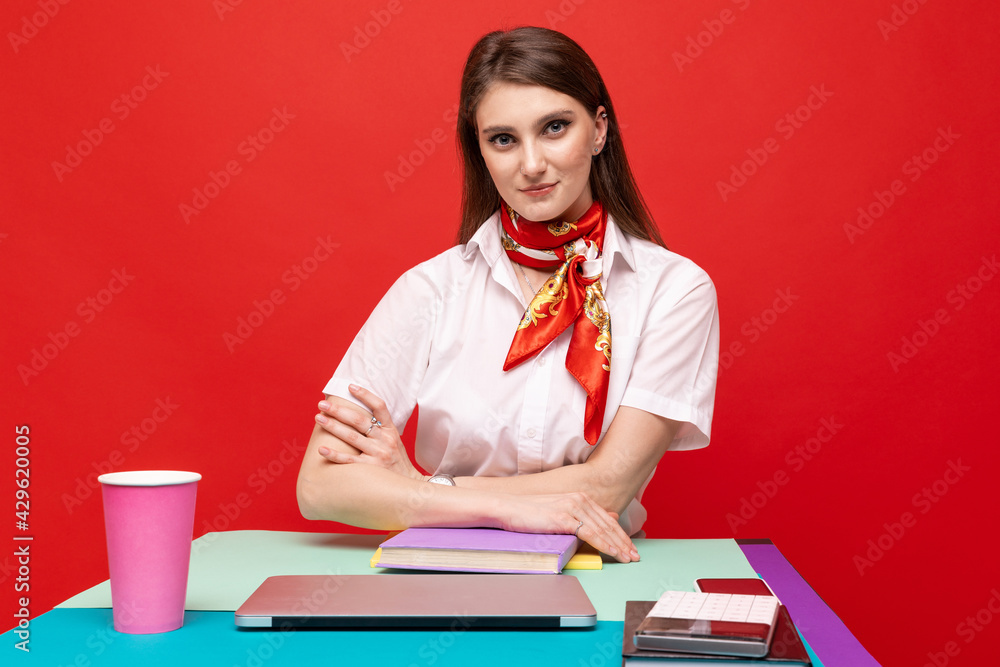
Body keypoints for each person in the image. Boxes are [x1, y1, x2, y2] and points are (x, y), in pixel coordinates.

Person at [296, 26, 719, 563]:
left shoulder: (675, 291)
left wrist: (427, 492)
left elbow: (609, 487)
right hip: (438, 572)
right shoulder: (428, 289)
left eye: (555, 128)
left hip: (599, 573)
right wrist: (509, 510)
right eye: (503, 139)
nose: (532, 164)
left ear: (599, 129)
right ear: (481, 151)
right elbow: (318, 487)